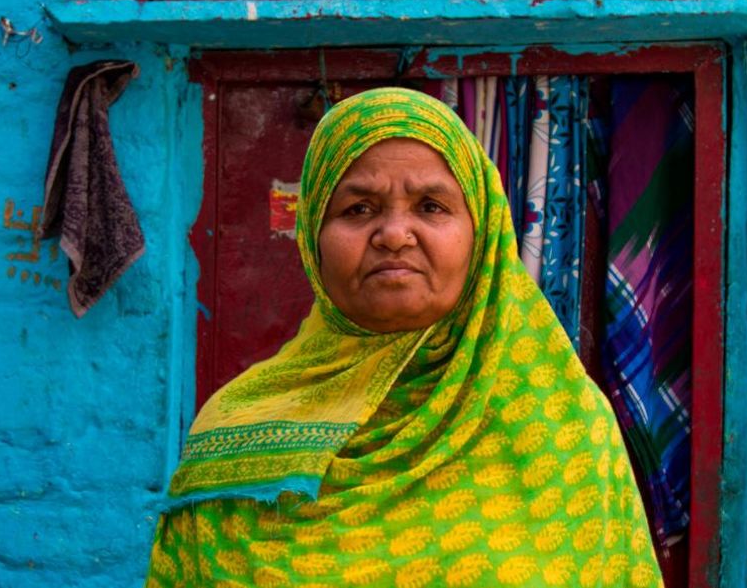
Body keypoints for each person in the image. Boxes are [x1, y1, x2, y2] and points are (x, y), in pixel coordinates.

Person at [145, 87, 663, 587]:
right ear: (312, 238)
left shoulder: (561, 422)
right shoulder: (233, 432)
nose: (394, 234)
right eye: (358, 209)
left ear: (481, 233)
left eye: (432, 206)